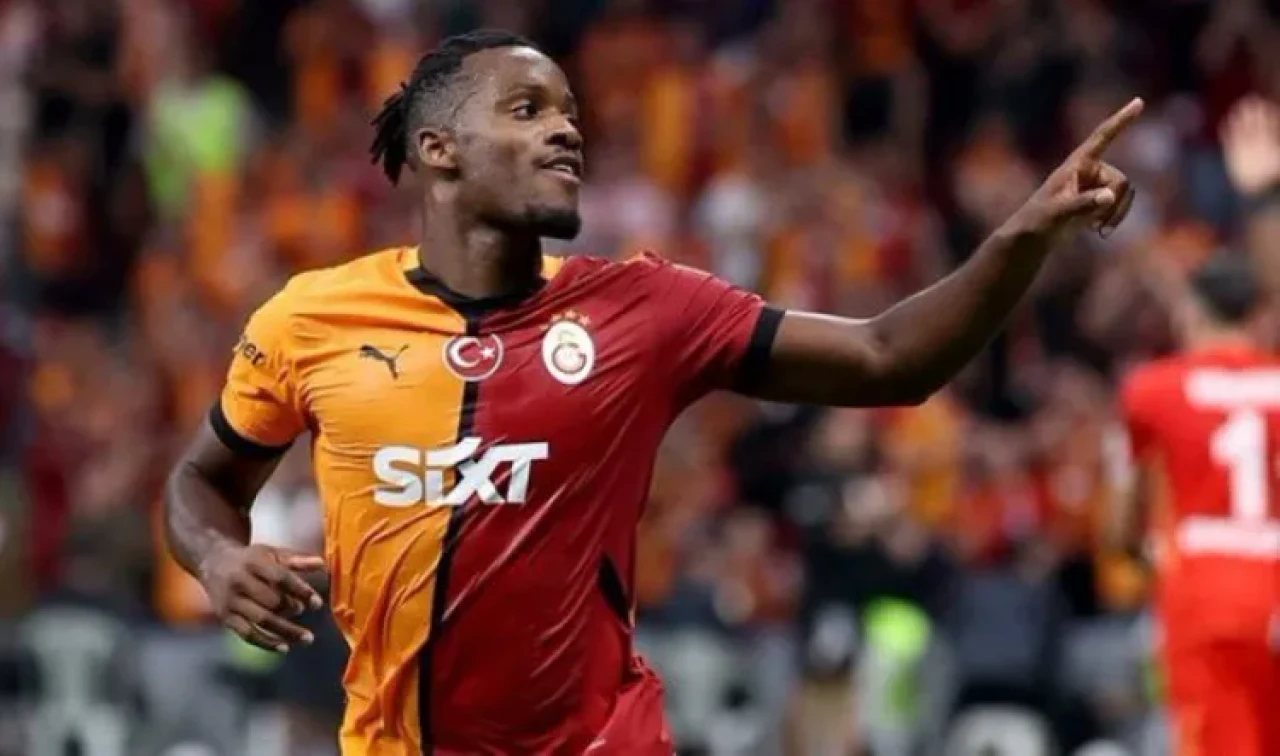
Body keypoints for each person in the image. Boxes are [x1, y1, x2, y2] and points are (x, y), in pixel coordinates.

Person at [164, 29, 1140, 755]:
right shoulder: (313, 318)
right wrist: (215, 558)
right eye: (526, 111)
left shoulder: (646, 309)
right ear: (437, 149)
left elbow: (891, 358)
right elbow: (202, 484)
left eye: (569, 114)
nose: (565, 131)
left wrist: (1020, 238)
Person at [1113, 255, 1280, 756]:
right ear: (1260, 316)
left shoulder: (1152, 390)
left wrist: (1152, 559)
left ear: (1191, 310)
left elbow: (1122, 527)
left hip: (1203, 592)